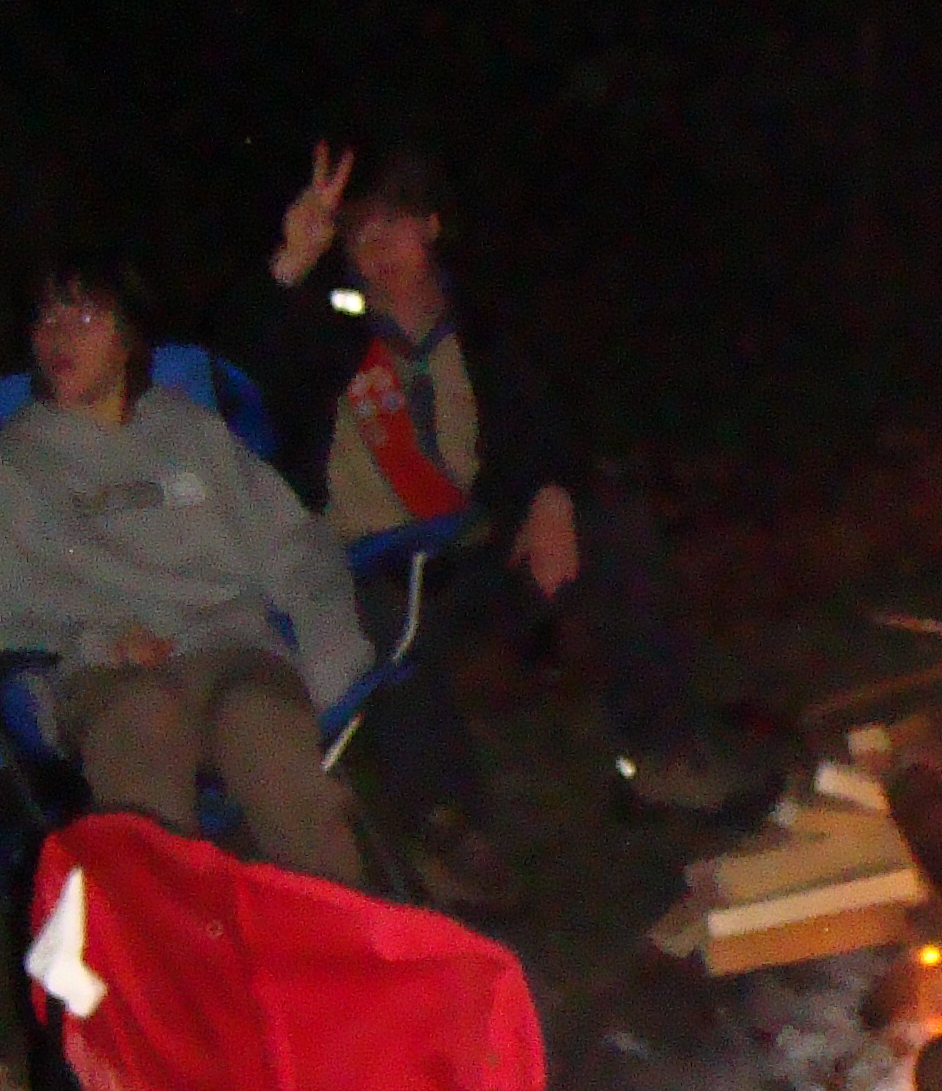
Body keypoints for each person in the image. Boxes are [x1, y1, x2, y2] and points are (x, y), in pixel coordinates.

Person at [229, 144, 732, 909]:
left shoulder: (482, 324)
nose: (377, 246)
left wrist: (552, 495)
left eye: (394, 224)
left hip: (472, 549)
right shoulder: (326, 329)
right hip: (368, 565)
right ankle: (447, 829)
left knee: (614, 527)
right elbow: (241, 379)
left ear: (432, 226)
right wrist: (290, 265)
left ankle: (660, 759)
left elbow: (547, 423)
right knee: (384, 616)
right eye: (358, 232)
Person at [0, 254, 373, 889]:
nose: (59, 337)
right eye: (47, 319)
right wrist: (98, 641)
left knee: (265, 733)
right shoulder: (14, 465)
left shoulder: (192, 432)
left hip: (230, 650)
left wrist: (331, 652)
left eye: (84, 317)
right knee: (144, 726)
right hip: (109, 671)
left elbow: (296, 545)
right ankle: (167, 941)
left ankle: (337, 934)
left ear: (128, 337)